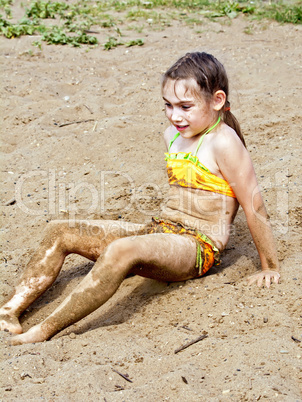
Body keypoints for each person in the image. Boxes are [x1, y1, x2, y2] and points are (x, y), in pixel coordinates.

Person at [0, 51, 280, 345]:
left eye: (185, 106)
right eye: (168, 106)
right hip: (162, 229)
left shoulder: (224, 142)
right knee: (60, 230)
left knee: (121, 250)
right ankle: (10, 310)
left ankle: (43, 330)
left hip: (196, 246)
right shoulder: (172, 134)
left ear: (217, 100)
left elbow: (254, 204)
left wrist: (269, 266)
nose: (175, 115)